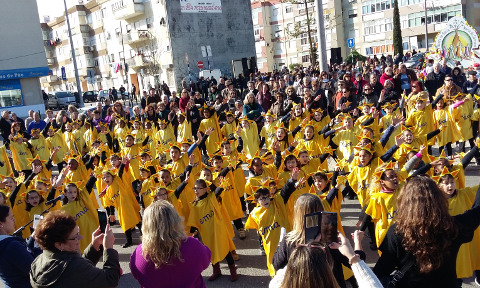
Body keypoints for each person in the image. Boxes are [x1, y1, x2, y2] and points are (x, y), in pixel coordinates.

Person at [373, 176, 480, 288]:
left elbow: (380, 271)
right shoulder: (453, 226)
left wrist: (358, 251)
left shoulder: (396, 231)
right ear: (439, 199)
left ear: (405, 201)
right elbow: (477, 211)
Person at [130, 201, 211, 288]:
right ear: (176, 220)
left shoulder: (139, 253)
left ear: (146, 225)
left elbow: (136, 275)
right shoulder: (193, 245)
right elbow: (206, 260)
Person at [30, 210, 121, 288]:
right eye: (75, 236)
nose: (80, 237)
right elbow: (110, 279)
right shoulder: (74, 267)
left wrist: (93, 246)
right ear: (59, 245)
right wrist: (108, 249)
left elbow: (77, 272)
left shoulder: (39, 260)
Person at [0, 205, 42, 288]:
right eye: (11, 218)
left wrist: (32, 239)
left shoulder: (5, 244)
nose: (14, 220)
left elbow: (23, 255)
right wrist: (38, 242)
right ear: (1, 224)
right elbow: (36, 270)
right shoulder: (11, 246)